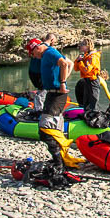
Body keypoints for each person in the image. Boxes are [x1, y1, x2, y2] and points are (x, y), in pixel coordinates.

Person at [29, 39, 81, 169]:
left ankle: (58, 162)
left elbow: (64, 63)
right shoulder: (48, 53)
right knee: (53, 126)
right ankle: (59, 159)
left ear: (37, 48)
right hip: (52, 93)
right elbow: (69, 63)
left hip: (57, 94)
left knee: (45, 128)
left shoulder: (49, 52)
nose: (34, 56)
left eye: (32, 53)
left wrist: (63, 82)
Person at [73, 38, 102, 113]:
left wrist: (80, 62)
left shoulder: (93, 56)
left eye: (82, 44)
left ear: (88, 46)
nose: (80, 46)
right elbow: (76, 69)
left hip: (93, 81)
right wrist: (78, 61)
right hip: (86, 81)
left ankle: (95, 115)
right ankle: (87, 114)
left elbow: (87, 70)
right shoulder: (85, 56)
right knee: (86, 102)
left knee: (93, 102)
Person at [26, 38, 46, 113]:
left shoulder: (40, 52)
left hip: (33, 73)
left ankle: (38, 108)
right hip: (37, 73)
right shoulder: (43, 52)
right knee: (42, 91)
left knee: (41, 91)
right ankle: (39, 110)